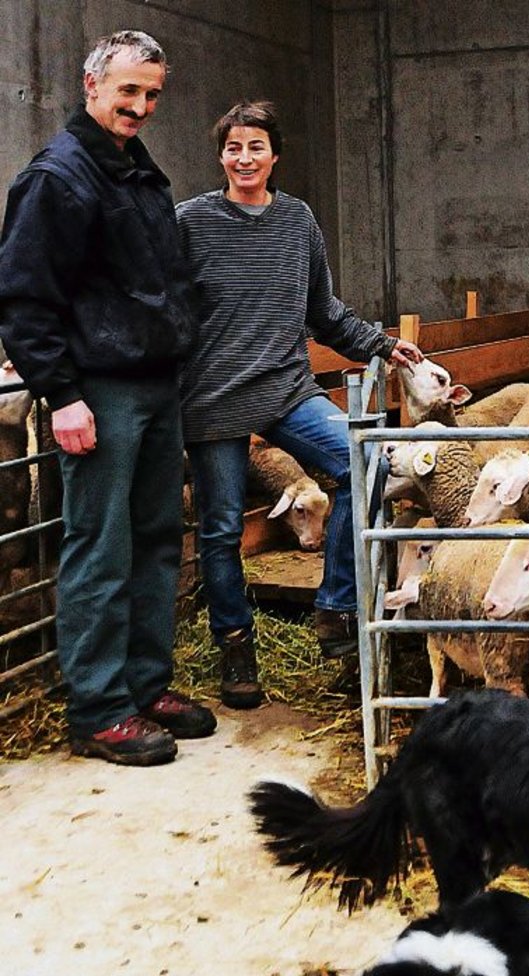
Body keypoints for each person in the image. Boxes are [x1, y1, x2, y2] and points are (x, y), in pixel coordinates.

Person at [0, 31, 216, 765]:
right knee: (100, 545)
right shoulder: (57, 179)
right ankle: (97, 709)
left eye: (152, 94)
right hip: (100, 390)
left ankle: (143, 684)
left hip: (156, 383)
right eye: (128, 91)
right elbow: (25, 299)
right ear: (93, 86)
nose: (141, 106)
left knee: (157, 538)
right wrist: (61, 394)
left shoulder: (136, 172)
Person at [178, 100, 421, 708]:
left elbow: (323, 312)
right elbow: (155, 304)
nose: (244, 158)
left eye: (255, 147)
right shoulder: (190, 223)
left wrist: (380, 344)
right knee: (222, 527)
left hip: (287, 387)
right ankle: (236, 648)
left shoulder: (297, 221)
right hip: (212, 398)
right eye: (233, 148)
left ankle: (336, 609)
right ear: (220, 156)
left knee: (365, 464)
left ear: (274, 154)